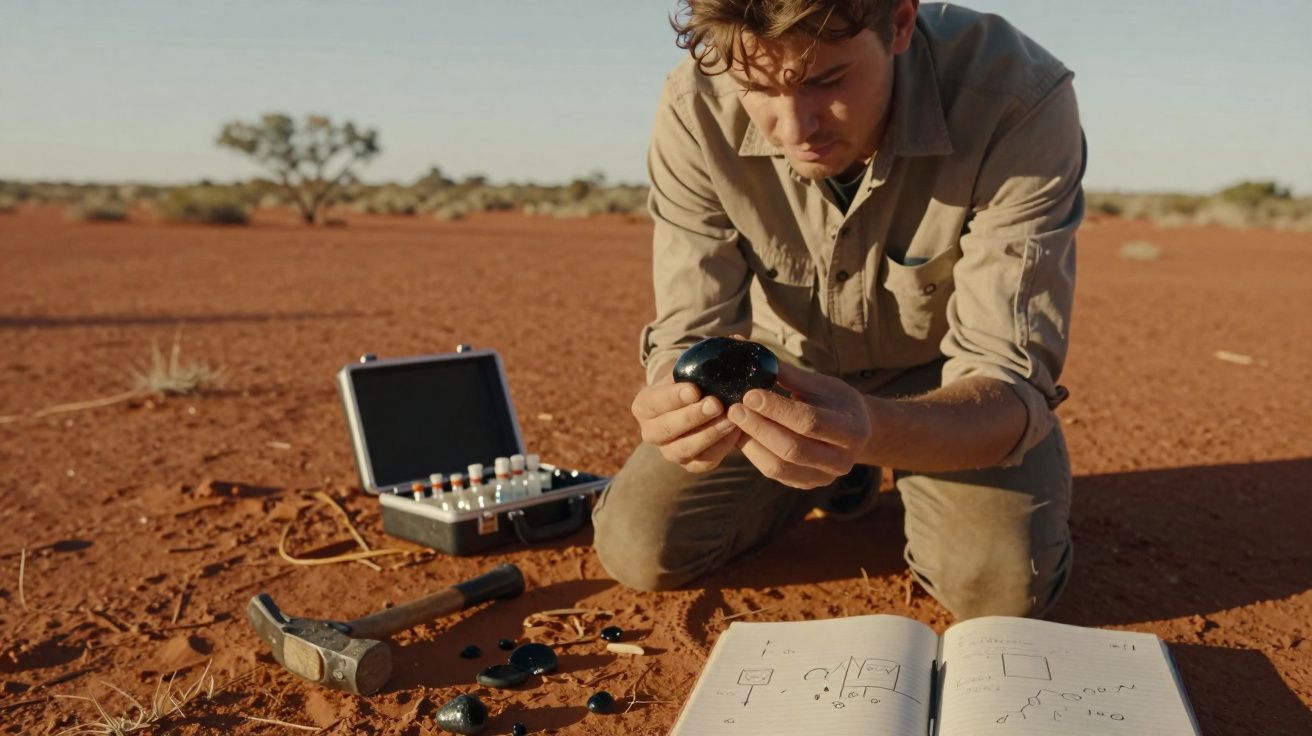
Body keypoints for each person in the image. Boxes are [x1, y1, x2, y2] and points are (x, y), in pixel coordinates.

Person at [592, 0, 1084, 621]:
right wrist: (676, 400)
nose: (795, 128)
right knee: (642, 546)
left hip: (949, 385)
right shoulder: (695, 104)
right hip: (774, 379)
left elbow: (1006, 377)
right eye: (757, 89)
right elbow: (691, 329)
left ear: (900, 23)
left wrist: (869, 428)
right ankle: (841, 472)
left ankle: (863, 458)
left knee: (998, 588)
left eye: (827, 81)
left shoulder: (1017, 99)